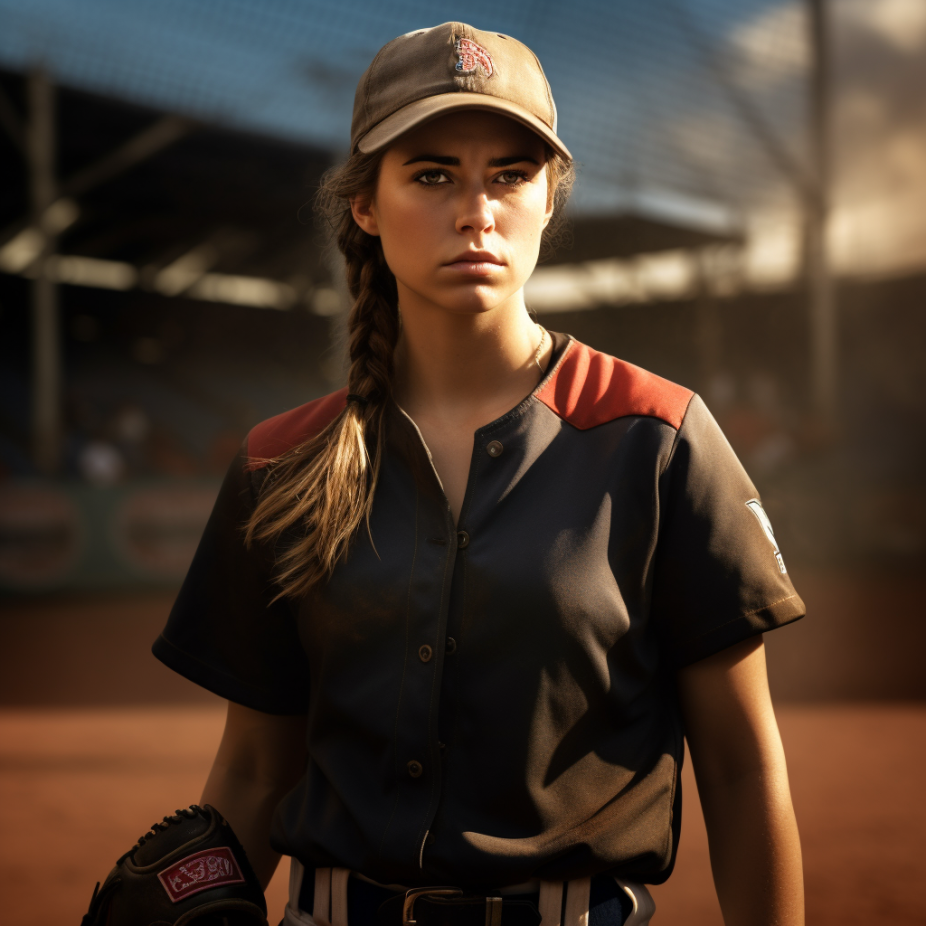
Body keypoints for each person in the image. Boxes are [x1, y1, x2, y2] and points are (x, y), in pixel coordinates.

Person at [153, 22, 806, 926]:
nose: (477, 210)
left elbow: (741, 768)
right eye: (431, 175)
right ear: (365, 205)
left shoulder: (659, 438)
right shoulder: (281, 462)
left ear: (548, 201)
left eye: (510, 174)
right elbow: (258, 768)